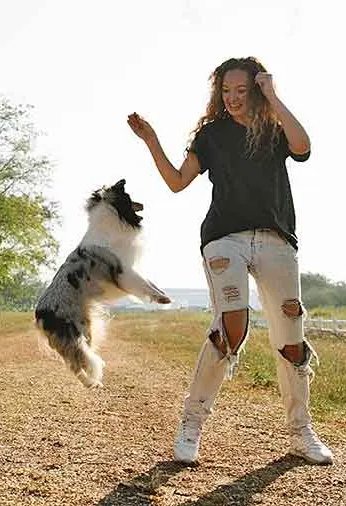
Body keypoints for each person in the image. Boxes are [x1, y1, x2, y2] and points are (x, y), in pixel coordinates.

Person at [125, 56, 333, 465]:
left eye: (242, 91)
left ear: (256, 90)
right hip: (224, 240)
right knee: (231, 325)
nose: (233, 99)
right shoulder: (212, 135)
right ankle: (192, 422)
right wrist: (151, 139)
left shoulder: (274, 130)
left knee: (292, 338)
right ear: (217, 93)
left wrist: (274, 96)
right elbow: (176, 182)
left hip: (276, 241)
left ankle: (301, 431)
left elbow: (303, 146)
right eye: (226, 91)